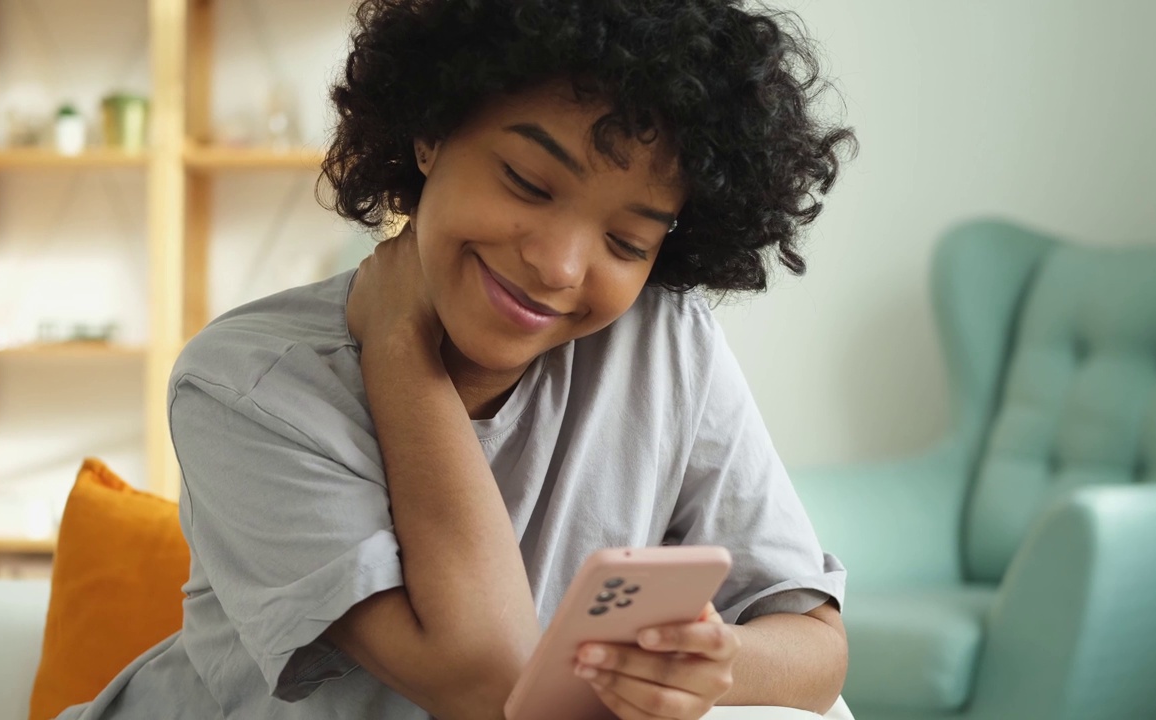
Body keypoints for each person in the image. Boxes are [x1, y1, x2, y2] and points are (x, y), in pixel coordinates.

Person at [56, 1, 856, 718]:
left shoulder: (664, 343)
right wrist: (401, 347)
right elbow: (486, 684)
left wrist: (718, 666)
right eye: (528, 182)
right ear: (433, 132)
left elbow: (819, 650)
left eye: (626, 241)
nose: (560, 265)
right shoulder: (246, 384)